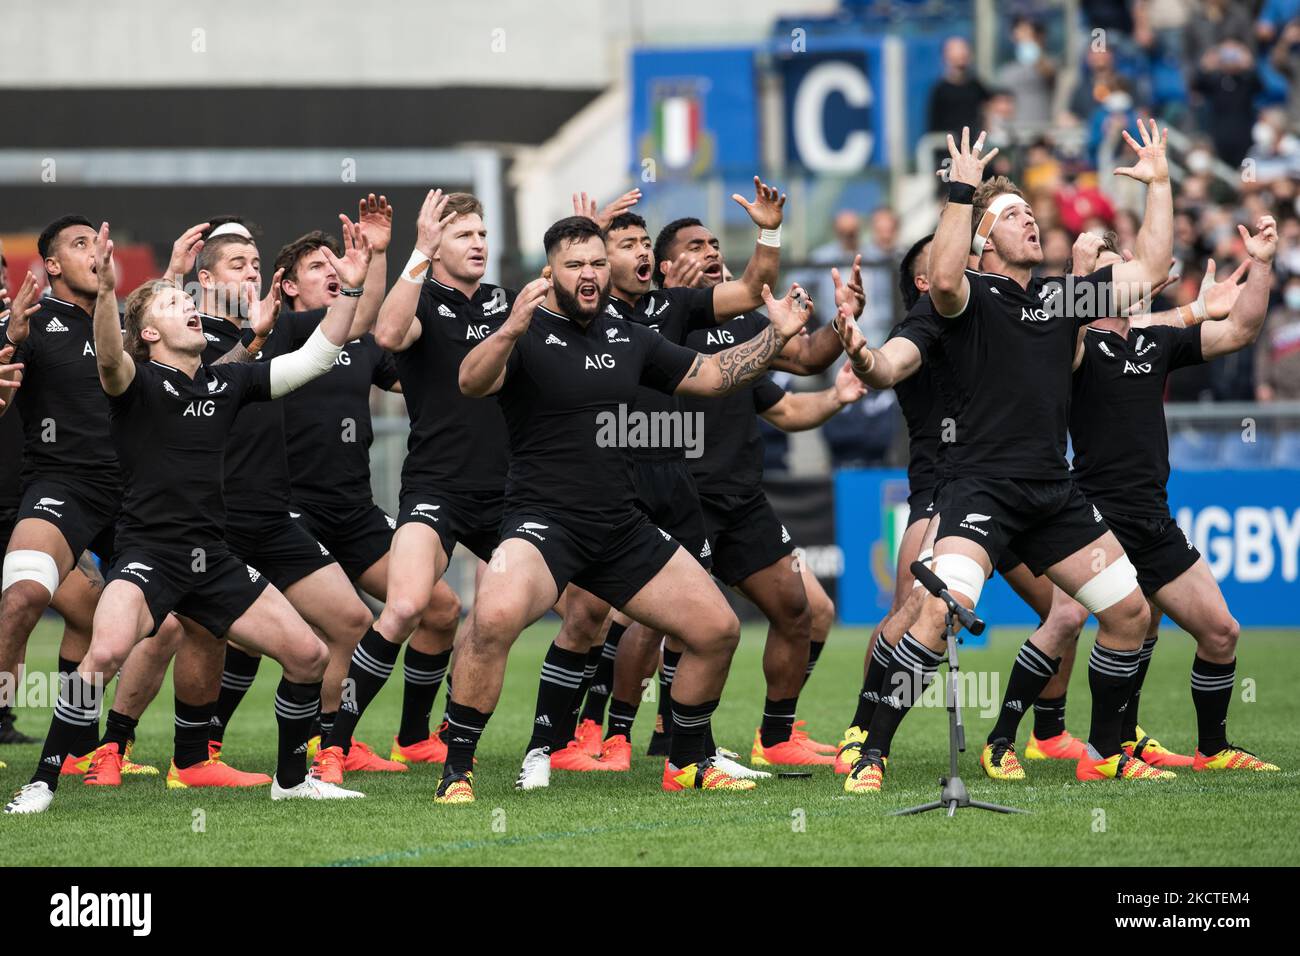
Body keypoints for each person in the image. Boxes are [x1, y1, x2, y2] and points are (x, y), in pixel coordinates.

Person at [834, 121, 1176, 791]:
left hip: (1053, 492)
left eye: (1028, 210)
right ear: (983, 241)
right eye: (1012, 214)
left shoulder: (1059, 297)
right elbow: (911, 327)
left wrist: (1159, 184)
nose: (1030, 220)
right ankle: (872, 750)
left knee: (1130, 614)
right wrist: (961, 193)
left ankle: (1105, 752)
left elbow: (1154, 270)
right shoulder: (962, 299)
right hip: (981, 489)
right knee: (938, 610)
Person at [439, 215, 814, 804]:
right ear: (551, 272)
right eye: (575, 265)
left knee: (716, 629)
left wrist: (777, 335)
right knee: (493, 618)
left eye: (596, 263)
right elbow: (470, 381)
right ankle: (457, 768)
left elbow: (713, 376)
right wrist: (510, 328)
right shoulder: (526, 328)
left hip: (620, 524)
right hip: (544, 522)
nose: (588, 274)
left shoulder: (629, 337)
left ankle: (685, 761)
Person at [5, 219, 373, 813]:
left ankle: (291, 777)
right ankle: (42, 782)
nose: (190, 307)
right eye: (177, 303)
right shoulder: (136, 384)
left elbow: (314, 360)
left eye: (188, 300)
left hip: (216, 559)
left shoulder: (227, 382)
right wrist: (105, 294)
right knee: (103, 655)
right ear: (149, 331)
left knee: (307, 655)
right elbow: (108, 361)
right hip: (150, 557)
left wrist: (352, 290)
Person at [270, 208, 465, 775]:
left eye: (338, 263)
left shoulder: (360, 343)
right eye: (316, 267)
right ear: (286, 286)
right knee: (347, 621)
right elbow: (358, 317)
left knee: (440, 609)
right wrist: (375, 263)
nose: (331, 271)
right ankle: (327, 743)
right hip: (291, 511)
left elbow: (420, 377)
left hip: (353, 510)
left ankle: (410, 736)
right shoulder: (280, 333)